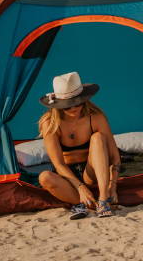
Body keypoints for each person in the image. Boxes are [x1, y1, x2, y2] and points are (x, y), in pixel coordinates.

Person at [36, 71, 120, 219]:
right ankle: (82, 202)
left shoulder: (95, 117)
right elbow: (59, 164)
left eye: (78, 102)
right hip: (67, 176)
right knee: (44, 177)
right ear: (57, 105)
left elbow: (115, 157)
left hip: (92, 172)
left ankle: (102, 200)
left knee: (98, 138)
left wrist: (112, 187)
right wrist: (80, 187)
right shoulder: (50, 123)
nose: (74, 108)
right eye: (67, 106)